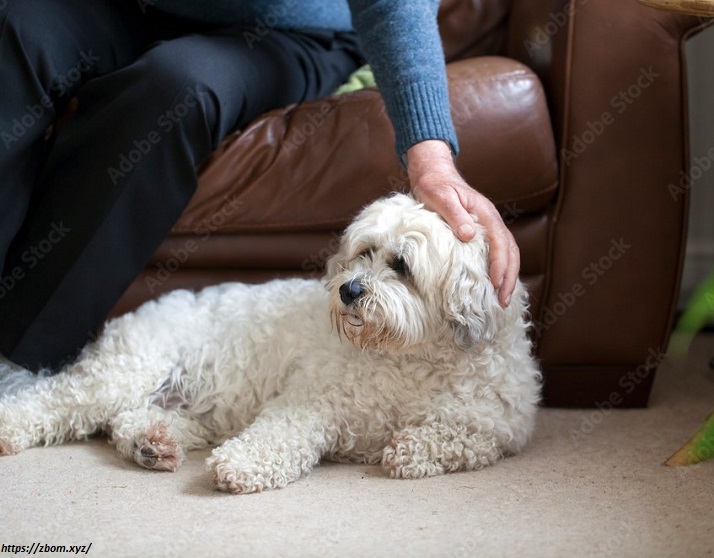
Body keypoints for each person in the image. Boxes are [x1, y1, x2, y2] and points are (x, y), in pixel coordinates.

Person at [0, 0, 519, 374]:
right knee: (14, 26)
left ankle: (17, 358)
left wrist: (430, 159)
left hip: (286, 26)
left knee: (175, 86)